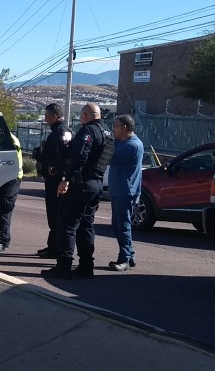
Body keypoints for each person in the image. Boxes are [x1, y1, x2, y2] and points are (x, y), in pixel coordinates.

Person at [41, 103, 107, 280]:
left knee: (67, 225)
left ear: (86, 115)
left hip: (81, 185)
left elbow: (79, 157)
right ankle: (86, 266)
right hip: (96, 184)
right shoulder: (107, 133)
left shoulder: (88, 132)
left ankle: (63, 267)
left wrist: (66, 179)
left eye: (81, 115)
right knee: (86, 225)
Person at [32, 103, 72, 258]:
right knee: (60, 216)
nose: (45, 119)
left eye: (47, 116)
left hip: (55, 182)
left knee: (55, 215)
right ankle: (54, 246)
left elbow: (55, 158)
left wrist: (44, 161)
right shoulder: (68, 131)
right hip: (62, 180)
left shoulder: (56, 134)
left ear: (55, 116)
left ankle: (55, 249)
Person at [107, 114, 144, 271]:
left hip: (125, 191)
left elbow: (110, 157)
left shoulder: (132, 145)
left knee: (123, 225)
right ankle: (129, 254)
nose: (113, 129)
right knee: (118, 224)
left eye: (115, 126)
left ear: (124, 127)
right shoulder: (123, 142)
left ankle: (125, 259)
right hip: (119, 190)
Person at [0, 132, 23, 252]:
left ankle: (3, 241)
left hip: (10, 178)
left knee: (4, 208)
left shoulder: (8, 139)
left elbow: (8, 159)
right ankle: (0, 237)